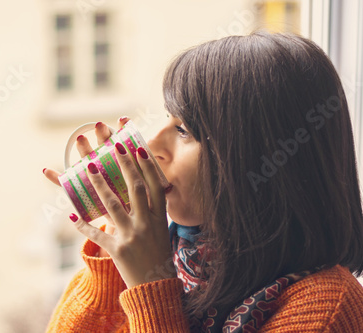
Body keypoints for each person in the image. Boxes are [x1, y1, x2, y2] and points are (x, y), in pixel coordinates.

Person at [42, 31, 363, 332]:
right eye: (167, 118)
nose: (151, 147)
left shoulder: (326, 309)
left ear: (257, 157)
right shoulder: (171, 255)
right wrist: (113, 259)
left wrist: (149, 290)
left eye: (183, 130)